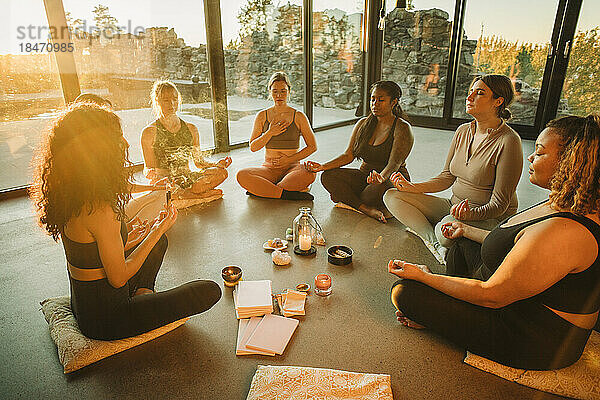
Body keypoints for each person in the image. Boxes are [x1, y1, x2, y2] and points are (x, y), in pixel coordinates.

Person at [388, 115, 600, 370]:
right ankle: (448, 306)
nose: (531, 158)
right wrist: (465, 229)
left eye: (540, 152)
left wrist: (424, 276)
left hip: (532, 336)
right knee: (461, 243)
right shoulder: (563, 200)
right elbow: (522, 250)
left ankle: (441, 311)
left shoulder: (565, 231)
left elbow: (493, 296)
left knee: (406, 293)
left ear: (571, 164)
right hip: (520, 299)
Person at [30, 103, 221, 340]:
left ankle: (143, 293)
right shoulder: (99, 208)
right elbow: (118, 278)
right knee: (208, 291)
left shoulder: (73, 193)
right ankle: (143, 297)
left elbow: (90, 252)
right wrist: (158, 227)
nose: (126, 144)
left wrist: (137, 233)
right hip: (107, 321)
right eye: (118, 138)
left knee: (157, 242)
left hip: (86, 305)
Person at [383, 74, 523, 262]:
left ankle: (440, 233)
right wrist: (411, 187)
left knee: (446, 228)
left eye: (479, 93)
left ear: (498, 101)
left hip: (488, 217)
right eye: (470, 92)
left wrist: (470, 214)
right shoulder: (463, 131)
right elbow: (446, 176)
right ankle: (434, 242)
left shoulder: (509, 141)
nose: (470, 97)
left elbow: (499, 206)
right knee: (392, 196)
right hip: (454, 206)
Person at [306, 80, 413, 223]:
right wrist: (322, 166)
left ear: (393, 102)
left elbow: (394, 164)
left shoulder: (402, 128)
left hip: (390, 178)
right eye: (373, 99)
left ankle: (355, 201)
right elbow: (348, 155)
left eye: (381, 100)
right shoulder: (363, 123)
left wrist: (380, 178)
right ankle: (365, 208)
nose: (375, 104)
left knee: (370, 194)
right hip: (365, 175)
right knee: (327, 176)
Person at [74, 92, 168, 222]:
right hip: (108, 225)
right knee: (159, 234)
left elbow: (121, 186)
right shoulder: (86, 173)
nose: (126, 144)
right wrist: (153, 232)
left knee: (161, 194)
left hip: (112, 221)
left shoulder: (96, 158)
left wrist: (155, 187)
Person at [141, 80, 231, 207]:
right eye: (166, 100)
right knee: (163, 187)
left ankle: (186, 195)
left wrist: (217, 164)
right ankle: (198, 194)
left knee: (221, 173)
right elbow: (147, 168)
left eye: (174, 99)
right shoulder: (149, 132)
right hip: (166, 181)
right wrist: (149, 173)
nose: (171, 104)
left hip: (189, 178)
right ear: (157, 101)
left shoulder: (191, 129)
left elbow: (199, 163)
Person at [236, 72, 317, 200]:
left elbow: (312, 147)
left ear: (289, 91)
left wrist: (289, 160)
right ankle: (287, 194)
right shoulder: (262, 116)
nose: (279, 95)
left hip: (293, 168)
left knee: (310, 173)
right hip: (269, 169)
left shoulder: (299, 116)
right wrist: (270, 132)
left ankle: (266, 190)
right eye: (275, 92)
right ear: (270, 92)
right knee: (242, 175)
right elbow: (253, 147)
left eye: (283, 91)